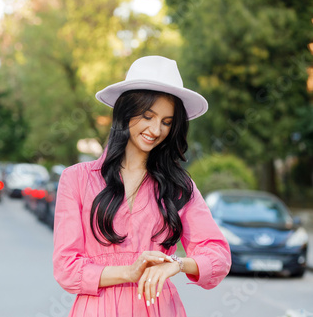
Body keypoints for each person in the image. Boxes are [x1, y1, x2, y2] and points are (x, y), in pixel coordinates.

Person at [53, 56, 231, 316]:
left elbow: (218, 256)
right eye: (148, 116)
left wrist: (177, 264)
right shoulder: (76, 179)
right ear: (127, 112)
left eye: (167, 122)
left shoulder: (178, 185)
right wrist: (130, 272)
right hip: (97, 309)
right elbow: (66, 269)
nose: (156, 129)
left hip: (159, 308)